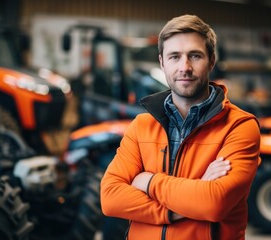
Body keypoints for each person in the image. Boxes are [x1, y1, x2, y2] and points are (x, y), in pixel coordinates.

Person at [100, 14, 261, 240]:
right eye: (174, 57)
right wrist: (184, 203)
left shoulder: (239, 126)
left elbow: (213, 204)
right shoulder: (141, 126)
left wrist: (149, 181)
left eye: (195, 56)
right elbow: (110, 198)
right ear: (162, 62)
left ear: (212, 60)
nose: (184, 67)